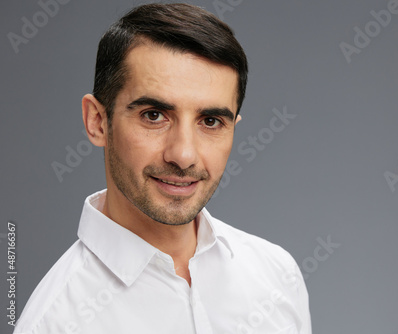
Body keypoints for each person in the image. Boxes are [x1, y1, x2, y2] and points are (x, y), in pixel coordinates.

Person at [14, 3, 311, 334]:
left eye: (211, 121)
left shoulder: (278, 276)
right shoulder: (54, 323)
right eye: (154, 115)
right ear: (98, 122)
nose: (183, 155)